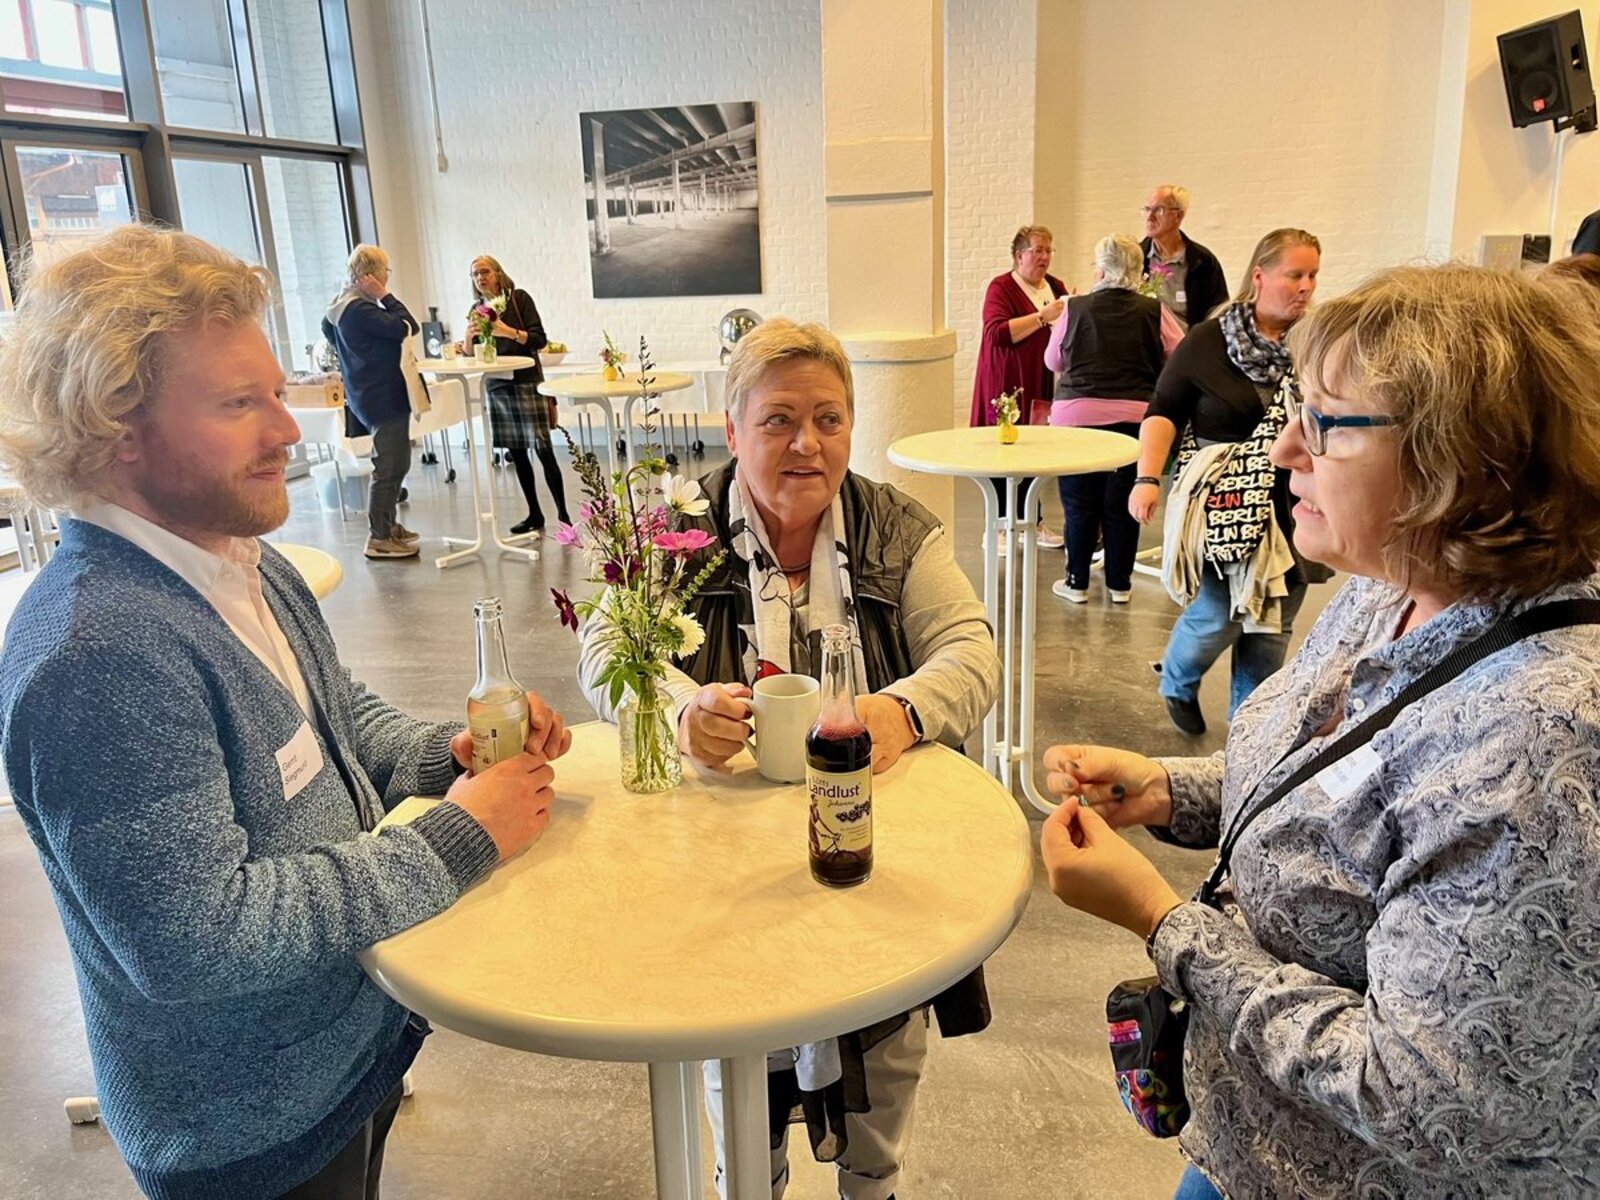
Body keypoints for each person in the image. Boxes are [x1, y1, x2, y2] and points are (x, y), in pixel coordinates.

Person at [0, 226, 573, 1199]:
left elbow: (333, 717)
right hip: (247, 1126)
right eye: (239, 403)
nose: (288, 429)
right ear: (115, 427)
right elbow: (195, 938)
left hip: (339, 1055)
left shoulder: (235, 560)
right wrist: (460, 836)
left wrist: (448, 755)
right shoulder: (96, 657)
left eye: (275, 392)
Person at [1038, 262, 1600, 1199]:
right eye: (1295, 409)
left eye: (1328, 423)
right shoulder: (1392, 584)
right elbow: (1335, 783)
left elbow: (1421, 1099)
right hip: (1252, 1138)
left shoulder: (1539, 743)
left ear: (1462, 459)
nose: (1286, 448)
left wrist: (1164, 922)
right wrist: (1171, 791)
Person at [579, 319, 1000, 1200]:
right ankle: (748, 1173)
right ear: (732, 432)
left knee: (885, 1031)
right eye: (778, 420)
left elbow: (971, 650)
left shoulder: (897, 530)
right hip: (721, 854)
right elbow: (603, 646)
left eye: (829, 419)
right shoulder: (675, 531)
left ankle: (871, 1181)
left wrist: (898, 712)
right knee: (733, 1038)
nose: (808, 443)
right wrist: (677, 707)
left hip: (869, 843)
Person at [1129, 228, 1328, 735]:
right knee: (1218, 616)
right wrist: (1147, 477)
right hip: (1227, 503)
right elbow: (1163, 410)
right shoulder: (1209, 341)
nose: (1306, 287)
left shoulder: (1316, 345)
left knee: (1273, 627)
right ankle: (1177, 677)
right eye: (1295, 275)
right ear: (1259, 276)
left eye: (1312, 275)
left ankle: (1247, 732)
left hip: (1295, 502)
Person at [1043, 233, 1184, 605]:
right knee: (1123, 501)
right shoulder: (1154, 310)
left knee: (1079, 502)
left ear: (1103, 270)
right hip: (1135, 418)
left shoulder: (1075, 308)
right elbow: (1180, 355)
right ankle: (1120, 583)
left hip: (1077, 417)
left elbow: (1053, 360)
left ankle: (1076, 582)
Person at [970, 224, 1068, 551]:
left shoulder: (1055, 286)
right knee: (1004, 451)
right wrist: (1042, 317)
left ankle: (1032, 522)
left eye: (1048, 250)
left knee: (1034, 450)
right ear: (1018, 255)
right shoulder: (1001, 287)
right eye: (1037, 250)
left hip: (1041, 380)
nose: (1044, 257)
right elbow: (996, 333)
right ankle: (997, 527)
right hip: (1007, 382)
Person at [322, 244, 422, 560]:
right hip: (382, 394)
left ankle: (388, 526)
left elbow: (327, 329)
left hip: (369, 390)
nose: (386, 279)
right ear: (372, 276)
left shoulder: (340, 306)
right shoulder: (359, 309)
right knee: (389, 465)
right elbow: (408, 326)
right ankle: (379, 537)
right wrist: (385, 296)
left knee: (397, 461)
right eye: (385, 274)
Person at [460, 255, 570, 536]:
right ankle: (534, 513)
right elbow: (472, 355)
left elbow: (539, 339)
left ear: (498, 273)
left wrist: (507, 331)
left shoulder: (519, 299)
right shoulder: (477, 309)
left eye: (484, 271)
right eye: (474, 274)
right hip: (497, 385)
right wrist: (468, 338)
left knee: (543, 449)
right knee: (517, 452)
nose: (480, 278)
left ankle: (564, 516)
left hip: (527, 382)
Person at [1139, 185, 1228, 328]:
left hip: (1189, 341)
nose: (1150, 217)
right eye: (1147, 209)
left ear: (1178, 216)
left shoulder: (1203, 262)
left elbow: (1219, 313)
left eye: (1159, 210)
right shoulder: (1135, 258)